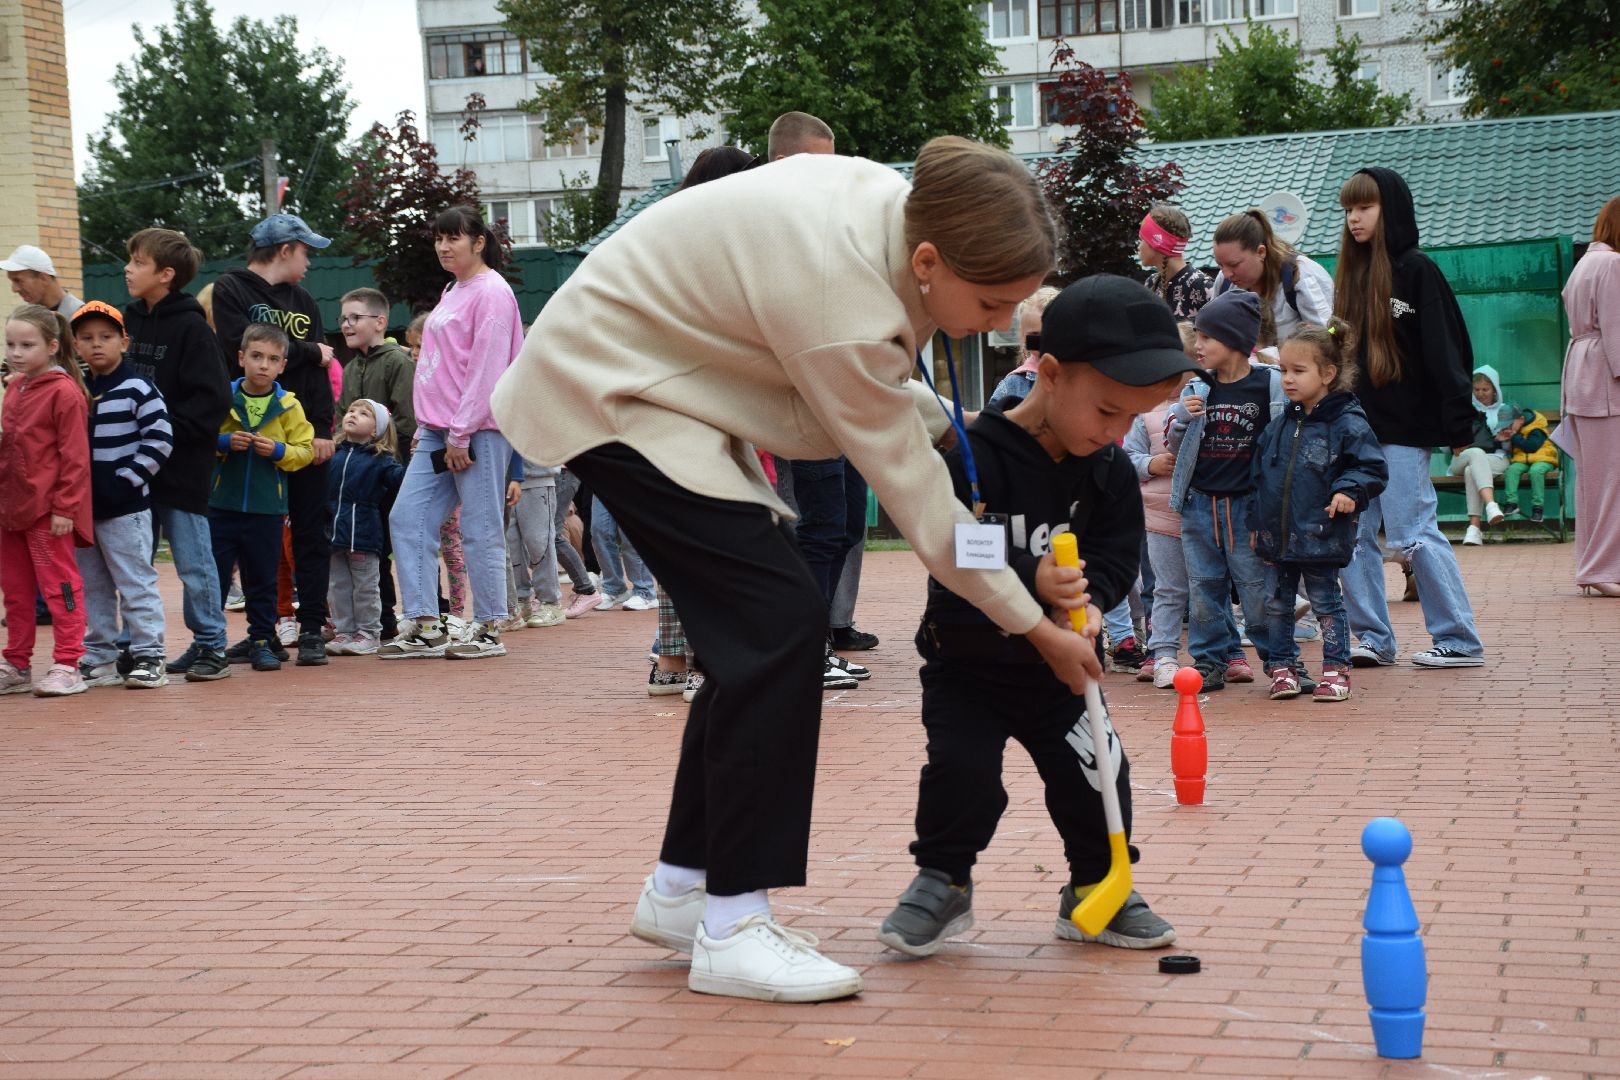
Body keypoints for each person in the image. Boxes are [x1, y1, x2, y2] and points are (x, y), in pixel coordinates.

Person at [492, 135, 1088, 1003]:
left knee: (758, 637)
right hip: (609, 392)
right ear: (929, 261)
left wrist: (956, 418)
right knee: (780, 627)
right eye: (991, 301)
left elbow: (883, 383)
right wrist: (1033, 626)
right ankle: (733, 928)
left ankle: (684, 890)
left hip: (651, 388)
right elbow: (923, 505)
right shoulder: (838, 291)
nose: (1001, 322)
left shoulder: (886, 208)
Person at [876, 275, 1196, 959]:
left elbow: (1116, 551)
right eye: (1106, 412)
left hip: (1063, 672)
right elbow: (953, 544)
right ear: (1049, 374)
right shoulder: (974, 455)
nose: (1113, 435)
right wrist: (1030, 579)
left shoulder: (1107, 470)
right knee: (960, 775)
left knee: (1100, 770)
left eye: (1129, 422)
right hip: (969, 665)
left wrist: (1096, 601)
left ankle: (1098, 885)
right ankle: (944, 881)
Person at [1334, 168, 1486, 667]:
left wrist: (1459, 426)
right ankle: (1374, 640)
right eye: (1349, 209)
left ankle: (1459, 640)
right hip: (1355, 431)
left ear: (1390, 209)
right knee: (1352, 536)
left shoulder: (1418, 270)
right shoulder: (1351, 276)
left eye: (1365, 207)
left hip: (1403, 430)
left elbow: (1448, 351)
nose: (1354, 218)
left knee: (1412, 534)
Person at [382, 205, 522, 661]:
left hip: (477, 430)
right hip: (438, 430)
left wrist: (461, 434)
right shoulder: (453, 288)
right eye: (438, 239)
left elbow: (487, 370)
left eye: (453, 238)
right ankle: (424, 623)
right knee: (408, 517)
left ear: (478, 242)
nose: (443, 247)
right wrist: (434, 427)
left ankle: (488, 627)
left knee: (481, 528)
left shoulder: (493, 293)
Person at [212, 212, 337, 666]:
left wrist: (323, 429)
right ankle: (262, 631)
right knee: (257, 540)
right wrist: (308, 350)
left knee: (310, 533)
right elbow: (234, 344)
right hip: (249, 435)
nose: (309, 262)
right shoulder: (231, 288)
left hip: (299, 432)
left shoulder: (303, 298)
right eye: (306, 252)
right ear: (285, 250)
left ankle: (310, 631)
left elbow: (322, 369)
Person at [1250, 322, 1387, 704]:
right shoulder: (1280, 424)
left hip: (1321, 533)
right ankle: (1283, 668)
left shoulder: (1347, 422)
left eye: (1298, 371)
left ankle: (1336, 670)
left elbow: (1371, 467)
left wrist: (1349, 490)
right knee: (1276, 604)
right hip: (1276, 537)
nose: (1288, 379)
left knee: (1327, 602)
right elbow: (1260, 476)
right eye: (1283, 370)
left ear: (1327, 374)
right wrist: (1255, 521)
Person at [121, 228, 235, 682]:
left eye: (137, 262)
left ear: (166, 275)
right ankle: (136, 646)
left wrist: (162, 435)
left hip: (182, 468)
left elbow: (212, 402)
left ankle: (211, 645)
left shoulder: (191, 328)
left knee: (192, 561)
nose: (127, 269)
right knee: (133, 560)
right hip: (133, 470)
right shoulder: (126, 322)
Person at [1166, 289, 1289, 691]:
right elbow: (1172, 442)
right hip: (1199, 504)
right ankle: (1209, 661)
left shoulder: (1270, 385)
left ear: (1235, 340)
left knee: (1256, 590)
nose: (1197, 347)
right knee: (1203, 590)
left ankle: (1280, 661)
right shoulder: (1197, 389)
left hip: (1247, 507)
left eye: (1207, 338)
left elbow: (1288, 437)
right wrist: (1181, 418)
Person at [71, 301, 174, 690]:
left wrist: (127, 478)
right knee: (92, 586)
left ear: (124, 342)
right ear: (75, 344)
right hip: (82, 509)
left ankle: (149, 655)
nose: (97, 345)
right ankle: (100, 657)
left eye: (106, 337)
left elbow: (161, 441)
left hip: (126, 507)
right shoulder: (75, 388)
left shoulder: (139, 388)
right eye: (86, 338)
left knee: (135, 582)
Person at [209, 323, 314, 672]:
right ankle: (208, 643)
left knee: (262, 578)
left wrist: (279, 450)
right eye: (256, 357)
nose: (263, 365)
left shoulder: (288, 406)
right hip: (221, 505)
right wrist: (224, 443)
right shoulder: (224, 397)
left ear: (283, 365)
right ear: (241, 358)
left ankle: (260, 640)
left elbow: (305, 451)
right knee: (215, 577)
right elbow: (202, 439)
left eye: (272, 359)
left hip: (267, 508)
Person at [0, 305, 91, 696]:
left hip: (48, 512)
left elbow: (74, 457)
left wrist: (64, 508)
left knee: (61, 587)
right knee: (16, 592)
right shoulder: (14, 387)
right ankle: (17, 664)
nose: (16, 353)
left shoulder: (64, 392)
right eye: (10, 344)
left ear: (52, 346)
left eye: (26, 344)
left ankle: (69, 664)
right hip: (10, 509)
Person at [336, 287, 416, 638]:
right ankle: (373, 623)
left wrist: (377, 450)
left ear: (380, 321)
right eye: (343, 319)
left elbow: (408, 420)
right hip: (354, 475)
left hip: (387, 472)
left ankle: (422, 615)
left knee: (394, 547)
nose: (346, 325)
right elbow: (341, 418)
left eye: (355, 318)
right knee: (365, 552)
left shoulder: (397, 361)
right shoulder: (352, 367)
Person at [1124, 322, 1194, 688]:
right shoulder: (1144, 409)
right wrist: (1149, 465)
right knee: (1164, 587)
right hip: (1158, 514)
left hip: (1200, 512)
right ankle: (1161, 652)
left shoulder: (1204, 399)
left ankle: (1222, 652)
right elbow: (1128, 455)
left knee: (1210, 585)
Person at [1557, 197, 1620, 597]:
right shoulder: (1612, 264)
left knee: (1593, 483)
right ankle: (1599, 568)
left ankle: (1593, 565)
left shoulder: (1586, 262)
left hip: (1582, 373)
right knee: (1611, 481)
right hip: (1604, 381)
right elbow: (1616, 328)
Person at [326, 399, 406, 655]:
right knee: (337, 586)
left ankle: (368, 632)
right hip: (333, 535)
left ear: (376, 430)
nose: (353, 415)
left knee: (366, 586)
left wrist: (422, 459)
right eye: (351, 410)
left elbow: (401, 480)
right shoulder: (333, 453)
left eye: (363, 414)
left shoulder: (381, 460)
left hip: (364, 534)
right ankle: (344, 631)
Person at [1210, 209, 1334, 348]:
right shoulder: (1224, 283)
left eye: (1234, 264)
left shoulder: (1303, 276)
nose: (1227, 274)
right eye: (1220, 265)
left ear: (1261, 252)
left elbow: (1331, 335)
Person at [1447, 366, 1515, 545]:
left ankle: (1474, 528)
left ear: (1495, 390)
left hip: (1496, 459)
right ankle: (1491, 505)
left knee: (1472, 471)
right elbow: (1446, 448)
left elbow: (1509, 447)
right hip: (1461, 458)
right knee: (1476, 454)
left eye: (1485, 389)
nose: (1481, 394)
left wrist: (1503, 439)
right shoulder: (1464, 411)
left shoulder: (1504, 410)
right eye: (1476, 390)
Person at [502, 461, 566, 629]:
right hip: (503, 482)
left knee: (539, 543)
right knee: (511, 546)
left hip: (537, 478)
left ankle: (550, 601)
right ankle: (521, 599)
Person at [989, 286, 1060, 406]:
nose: (1044, 341)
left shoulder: (1082, 378)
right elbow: (991, 423)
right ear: (1023, 336)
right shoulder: (1013, 385)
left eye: (1051, 333)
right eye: (1035, 334)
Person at [1138, 203, 1211, 318]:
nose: (1138, 247)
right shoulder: (1151, 283)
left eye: (1141, 239)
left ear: (1157, 243)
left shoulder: (1204, 287)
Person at [1501, 403, 1558, 523]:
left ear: (1521, 419)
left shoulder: (1537, 428)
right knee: (1512, 470)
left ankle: (1538, 508)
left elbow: (1531, 447)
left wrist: (1514, 436)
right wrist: (1499, 439)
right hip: (1522, 460)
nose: (1508, 427)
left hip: (1543, 459)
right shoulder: (1515, 429)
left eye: (1510, 424)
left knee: (1536, 471)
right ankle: (1512, 503)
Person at [3, 245, 84, 319]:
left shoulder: (82, 317)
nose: (14, 289)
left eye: (18, 280)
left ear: (44, 278)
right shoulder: (26, 318)